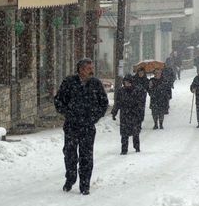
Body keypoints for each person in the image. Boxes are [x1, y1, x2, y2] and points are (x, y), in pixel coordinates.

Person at [54, 58, 108, 195]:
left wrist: (94, 117)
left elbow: (104, 103)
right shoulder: (69, 82)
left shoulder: (96, 84)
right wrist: (67, 112)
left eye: (92, 68)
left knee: (86, 156)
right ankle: (70, 178)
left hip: (88, 126)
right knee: (69, 153)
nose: (91, 70)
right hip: (72, 125)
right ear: (81, 69)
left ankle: (85, 184)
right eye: (89, 68)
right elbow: (58, 100)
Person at [111, 74, 142, 155]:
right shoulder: (120, 91)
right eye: (125, 82)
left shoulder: (137, 91)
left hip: (134, 114)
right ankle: (124, 149)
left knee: (135, 132)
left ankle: (137, 147)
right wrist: (114, 112)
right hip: (124, 114)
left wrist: (140, 115)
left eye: (128, 82)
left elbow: (140, 104)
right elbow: (117, 103)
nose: (127, 84)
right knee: (124, 133)